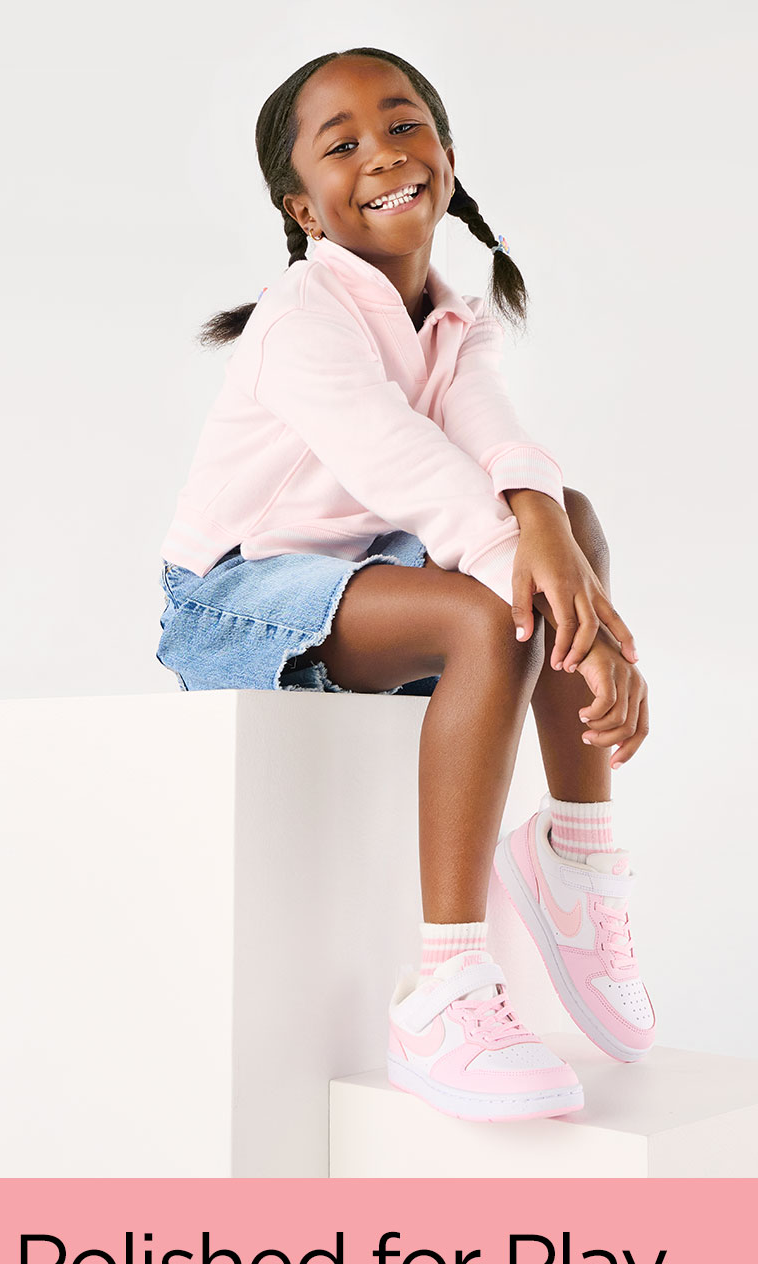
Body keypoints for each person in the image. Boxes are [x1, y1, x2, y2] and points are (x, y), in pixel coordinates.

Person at [156, 47, 654, 1123]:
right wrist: (592, 634)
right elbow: (410, 470)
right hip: (236, 599)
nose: (383, 154)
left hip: (362, 572)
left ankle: (578, 856)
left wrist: (564, 560)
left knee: (563, 521)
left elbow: (498, 450)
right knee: (496, 602)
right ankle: (446, 988)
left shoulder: (452, 317)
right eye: (342, 146)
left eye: (403, 125)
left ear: (447, 154)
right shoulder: (303, 316)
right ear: (302, 206)